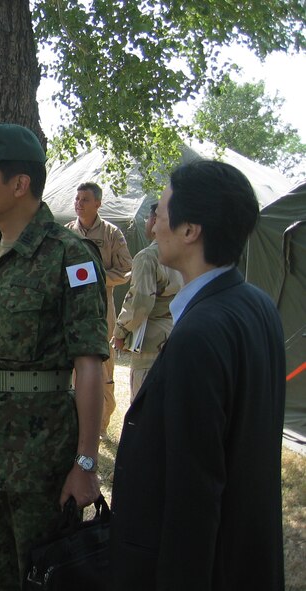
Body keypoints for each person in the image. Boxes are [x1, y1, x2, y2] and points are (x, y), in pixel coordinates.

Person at [0, 123, 108, 590]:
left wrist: (86, 463)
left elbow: (89, 362)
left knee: (42, 576)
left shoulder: (68, 256)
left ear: (19, 183)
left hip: (41, 461)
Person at [109, 160, 286, 590]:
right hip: (246, 556)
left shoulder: (200, 334)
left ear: (191, 230)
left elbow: (194, 493)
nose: (153, 229)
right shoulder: (257, 304)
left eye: (164, 214)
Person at [66, 182, 132, 436]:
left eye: (85, 199)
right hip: (71, 309)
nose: (79, 203)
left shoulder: (112, 234)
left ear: (98, 204)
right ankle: (73, 422)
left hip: (101, 309)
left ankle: (101, 423)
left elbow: (126, 269)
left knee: (102, 366)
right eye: (77, 198)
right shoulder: (67, 232)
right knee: (72, 365)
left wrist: (95, 277)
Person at [110, 203, 182, 400]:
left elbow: (140, 303)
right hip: (181, 335)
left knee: (145, 406)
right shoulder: (187, 255)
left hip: (151, 341)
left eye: (149, 219)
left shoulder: (148, 257)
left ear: (156, 221)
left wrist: (120, 332)